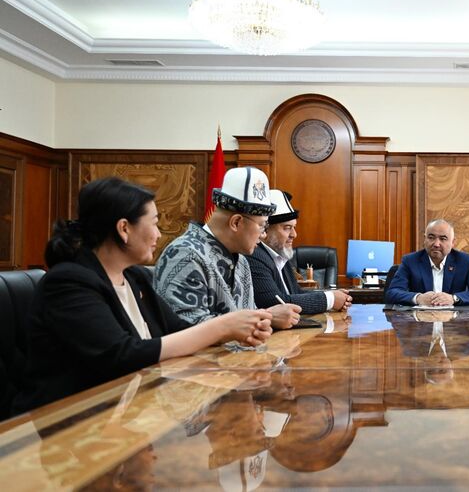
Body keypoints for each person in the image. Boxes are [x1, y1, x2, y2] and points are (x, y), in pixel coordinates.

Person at [13, 177, 273, 412]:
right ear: (124, 229)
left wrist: (237, 330)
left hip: (131, 411)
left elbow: (179, 329)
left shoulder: (135, 277)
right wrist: (223, 326)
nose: (159, 234)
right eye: (155, 223)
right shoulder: (68, 282)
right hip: (68, 422)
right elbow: (122, 355)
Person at [155, 167, 300, 329]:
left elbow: (246, 320)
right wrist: (265, 316)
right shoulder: (185, 255)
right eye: (262, 225)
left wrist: (261, 318)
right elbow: (187, 328)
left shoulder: (242, 261)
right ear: (236, 222)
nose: (263, 235)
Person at [246, 189, 352, 314]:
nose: (294, 234)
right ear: (265, 230)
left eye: (294, 227)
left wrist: (331, 295)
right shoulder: (255, 255)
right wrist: (330, 299)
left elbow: (296, 293)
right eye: (287, 228)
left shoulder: (280, 256)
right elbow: (276, 303)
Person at [384, 219, 469, 306]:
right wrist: (418, 298)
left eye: (443, 239)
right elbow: (392, 293)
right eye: (431, 237)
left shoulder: (465, 261)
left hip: (453, 322)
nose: (436, 244)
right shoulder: (410, 261)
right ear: (425, 239)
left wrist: (453, 298)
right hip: (419, 322)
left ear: (453, 242)